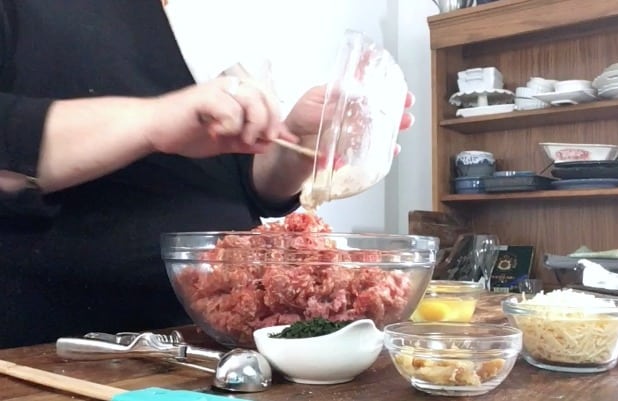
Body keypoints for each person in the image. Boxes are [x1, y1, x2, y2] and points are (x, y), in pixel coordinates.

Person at [0, 0, 414, 348]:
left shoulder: (198, 19)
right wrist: (153, 121)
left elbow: (247, 186)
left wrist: (300, 144)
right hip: (65, 350)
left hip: (228, 342)